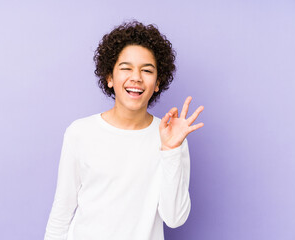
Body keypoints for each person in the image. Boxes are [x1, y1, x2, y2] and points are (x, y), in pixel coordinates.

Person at [44, 20, 204, 240]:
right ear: (109, 77)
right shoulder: (80, 133)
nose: (136, 77)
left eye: (147, 70)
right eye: (126, 68)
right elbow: (61, 212)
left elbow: (174, 218)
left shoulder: (171, 138)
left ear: (158, 82)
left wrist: (170, 150)